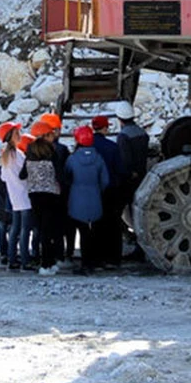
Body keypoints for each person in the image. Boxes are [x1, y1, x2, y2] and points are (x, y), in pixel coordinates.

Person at [64, 126, 110, 274]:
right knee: (94, 232)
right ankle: (94, 261)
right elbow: (105, 181)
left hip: (76, 199)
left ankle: (84, 264)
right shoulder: (99, 158)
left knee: (82, 231)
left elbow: (66, 177)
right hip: (95, 198)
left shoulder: (72, 159)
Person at [23, 122, 62, 276]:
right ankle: (49, 262)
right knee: (50, 230)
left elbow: (22, 175)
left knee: (40, 229)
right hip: (51, 195)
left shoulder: (30, 158)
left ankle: (44, 263)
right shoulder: (52, 157)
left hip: (34, 195)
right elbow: (60, 176)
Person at [91, 115, 125, 268]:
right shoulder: (112, 147)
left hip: (93, 190)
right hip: (111, 190)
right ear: (105, 128)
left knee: (96, 225)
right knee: (113, 224)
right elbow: (120, 169)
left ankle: (97, 258)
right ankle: (113, 259)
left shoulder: (86, 146)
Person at [38, 112, 72, 263]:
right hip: (59, 194)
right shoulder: (62, 150)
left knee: (44, 228)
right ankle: (62, 254)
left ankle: (44, 256)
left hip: (40, 193)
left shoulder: (33, 150)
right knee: (60, 227)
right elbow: (65, 173)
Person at [0, 122, 31, 271]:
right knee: (25, 230)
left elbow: (4, 178)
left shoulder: (5, 156)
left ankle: (12, 260)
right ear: (12, 137)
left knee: (15, 229)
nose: (21, 135)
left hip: (14, 197)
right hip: (25, 197)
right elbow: (25, 175)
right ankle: (25, 261)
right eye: (18, 133)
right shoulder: (18, 155)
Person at [115, 102, 149, 208]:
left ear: (119, 119)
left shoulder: (123, 136)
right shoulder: (142, 132)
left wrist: (129, 173)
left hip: (131, 177)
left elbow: (126, 159)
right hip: (143, 173)